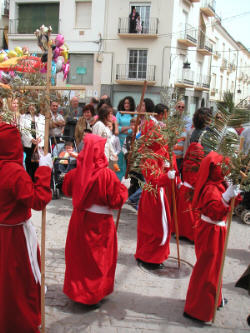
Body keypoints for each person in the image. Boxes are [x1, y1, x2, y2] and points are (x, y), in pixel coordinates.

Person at [62, 134, 128, 305]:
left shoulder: (76, 173)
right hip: (100, 224)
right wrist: (124, 188)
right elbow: (116, 201)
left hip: (79, 220)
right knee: (98, 259)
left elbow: (67, 189)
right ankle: (92, 294)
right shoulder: (106, 175)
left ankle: (78, 291)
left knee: (79, 257)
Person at [0, 122, 52, 332]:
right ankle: (18, 322)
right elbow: (38, 200)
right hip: (14, 237)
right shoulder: (13, 171)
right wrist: (44, 171)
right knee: (18, 283)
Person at [184, 151, 241, 323]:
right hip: (211, 231)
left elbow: (226, 207)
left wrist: (233, 195)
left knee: (215, 268)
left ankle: (213, 299)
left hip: (216, 231)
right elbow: (215, 212)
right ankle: (198, 309)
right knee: (207, 270)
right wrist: (226, 197)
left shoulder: (219, 184)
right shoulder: (210, 188)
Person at [176, 143, 204, 242]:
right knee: (191, 214)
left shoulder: (186, 162)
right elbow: (195, 181)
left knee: (183, 214)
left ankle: (181, 232)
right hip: (192, 191)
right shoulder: (199, 165)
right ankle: (191, 235)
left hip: (184, 189)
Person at [20, 104, 45, 181]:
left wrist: (39, 138)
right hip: (28, 143)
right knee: (28, 163)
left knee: (38, 163)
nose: (31, 107)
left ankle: (37, 181)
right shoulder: (23, 117)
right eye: (30, 105)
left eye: (33, 105)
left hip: (39, 143)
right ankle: (29, 180)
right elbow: (23, 130)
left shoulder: (42, 117)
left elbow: (44, 130)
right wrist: (31, 139)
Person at [116, 96, 136, 180]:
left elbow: (135, 128)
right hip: (119, 141)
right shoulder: (119, 113)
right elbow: (116, 129)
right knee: (119, 161)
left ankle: (126, 180)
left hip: (129, 140)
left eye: (128, 103)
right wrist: (128, 128)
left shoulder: (135, 114)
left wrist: (123, 129)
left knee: (128, 161)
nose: (126, 105)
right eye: (125, 103)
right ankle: (118, 179)